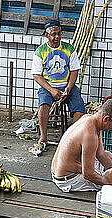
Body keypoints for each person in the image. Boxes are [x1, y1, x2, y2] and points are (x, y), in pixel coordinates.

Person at [29, 19, 85, 156]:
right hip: (49, 87)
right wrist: (51, 90)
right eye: (53, 34)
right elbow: (37, 76)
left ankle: (72, 137)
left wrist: (69, 88)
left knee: (79, 106)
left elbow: (74, 71)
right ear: (46, 35)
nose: (57, 37)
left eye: (59, 33)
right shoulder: (40, 51)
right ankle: (43, 137)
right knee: (43, 105)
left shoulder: (69, 49)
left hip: (67, 86)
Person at [50, 98, 112, 192]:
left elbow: (101, 154)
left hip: (61, 172)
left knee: (109, 155)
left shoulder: (90, 118)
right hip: (68, 180)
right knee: (110, 188)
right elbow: (88, 174)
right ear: (106, 119)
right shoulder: (90, 135)